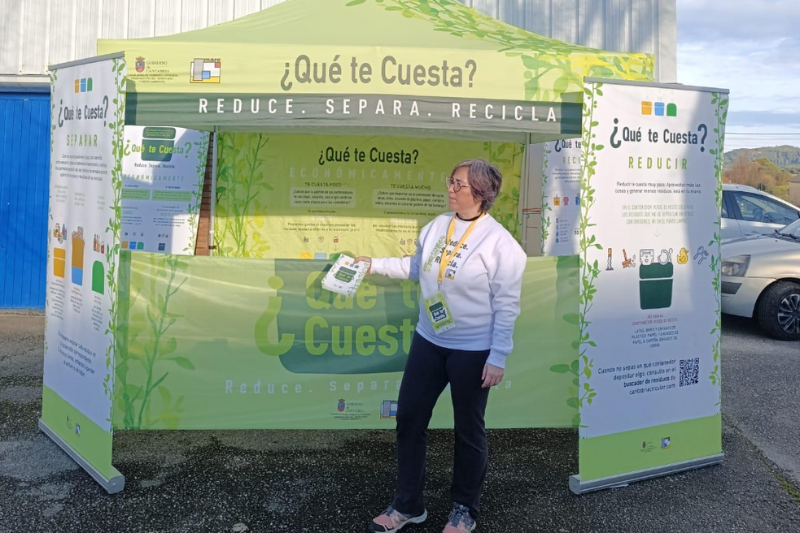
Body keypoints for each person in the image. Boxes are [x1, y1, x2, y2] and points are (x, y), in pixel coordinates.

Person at [360, 159, 527, 533]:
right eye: (450, 180)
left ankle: (464, 510)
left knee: (468, 430)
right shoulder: (437, 226)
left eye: (459, 184)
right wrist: (373, 264)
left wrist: (498, 356)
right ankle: (408, 506)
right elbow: (415, 266)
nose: (450, 188)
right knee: (409, 419)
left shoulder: (502, 244)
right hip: (429, 341)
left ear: (480, 193)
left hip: (473, 350)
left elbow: (507, 304)